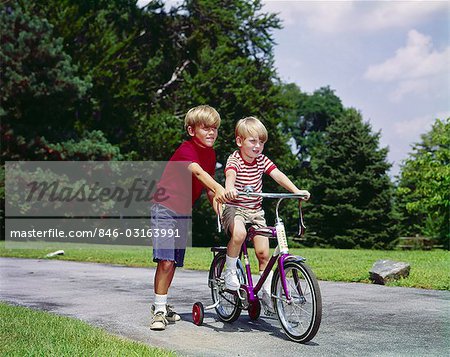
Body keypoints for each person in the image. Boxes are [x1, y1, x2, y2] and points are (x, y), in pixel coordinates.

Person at [150, 105, 227, 330]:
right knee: (165, 260)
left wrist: (221, 213)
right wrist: (219, 187)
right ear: (192, 131)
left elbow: (210, 190)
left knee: (172, 262)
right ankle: (159, 311)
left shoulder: (210, 155)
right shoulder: (187, 149)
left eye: (215, 128)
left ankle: (161, 305)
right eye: (206, 128)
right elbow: (198, 173)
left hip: (183, 212)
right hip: (164, 209)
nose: (212, 132)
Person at [222, 116, 310, 313]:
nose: (258, 146)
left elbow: (277, 174)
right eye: (253, 141)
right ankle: (229, 271)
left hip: (255, 211)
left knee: (263, 254)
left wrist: (296, 191)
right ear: (239, 141)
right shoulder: (234, 159)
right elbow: (231, 175)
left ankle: (266, 292)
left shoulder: (262, 160)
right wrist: (229, 189)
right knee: (239, 234)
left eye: (261, 142)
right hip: (235, 208)